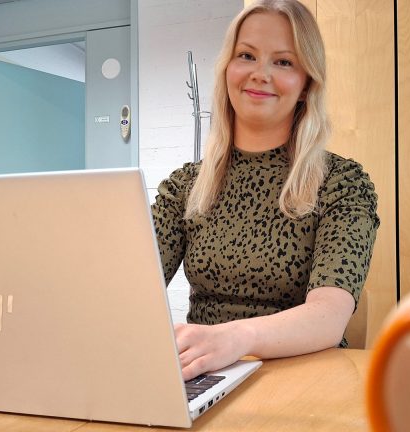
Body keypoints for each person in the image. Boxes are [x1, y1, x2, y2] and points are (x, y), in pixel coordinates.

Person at [151, 0, 380, 381]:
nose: (260, 74)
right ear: (228, 69)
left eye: (283, 62)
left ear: (307, 84)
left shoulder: (342, 183)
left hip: (305, 379)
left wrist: (237, 338)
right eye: (247, 56)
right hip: (205, 378)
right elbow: (134, 292)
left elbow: (329, 316)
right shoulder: (184, 186)